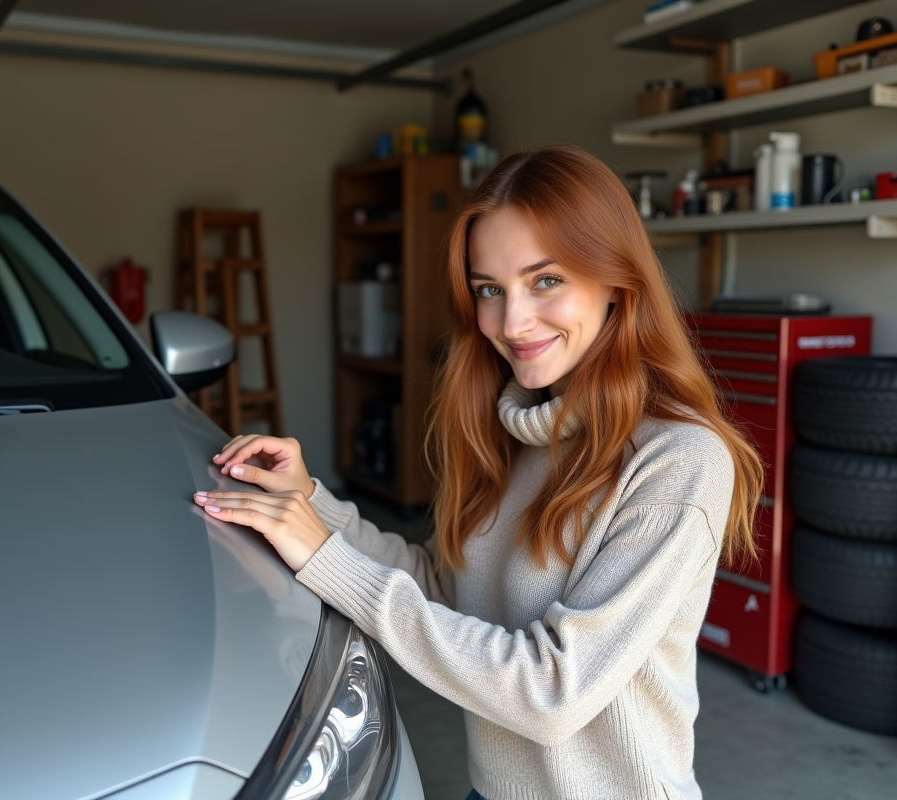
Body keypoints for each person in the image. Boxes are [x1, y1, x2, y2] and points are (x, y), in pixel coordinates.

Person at [193, 145, 764, 800]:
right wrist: (312, 508)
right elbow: (446, 588)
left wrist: (326, 558)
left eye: (545, 280)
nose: (512, 322)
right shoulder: (514, 426)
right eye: (490, 290)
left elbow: (551, 692)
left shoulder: (678, 462)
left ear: (616, 281)